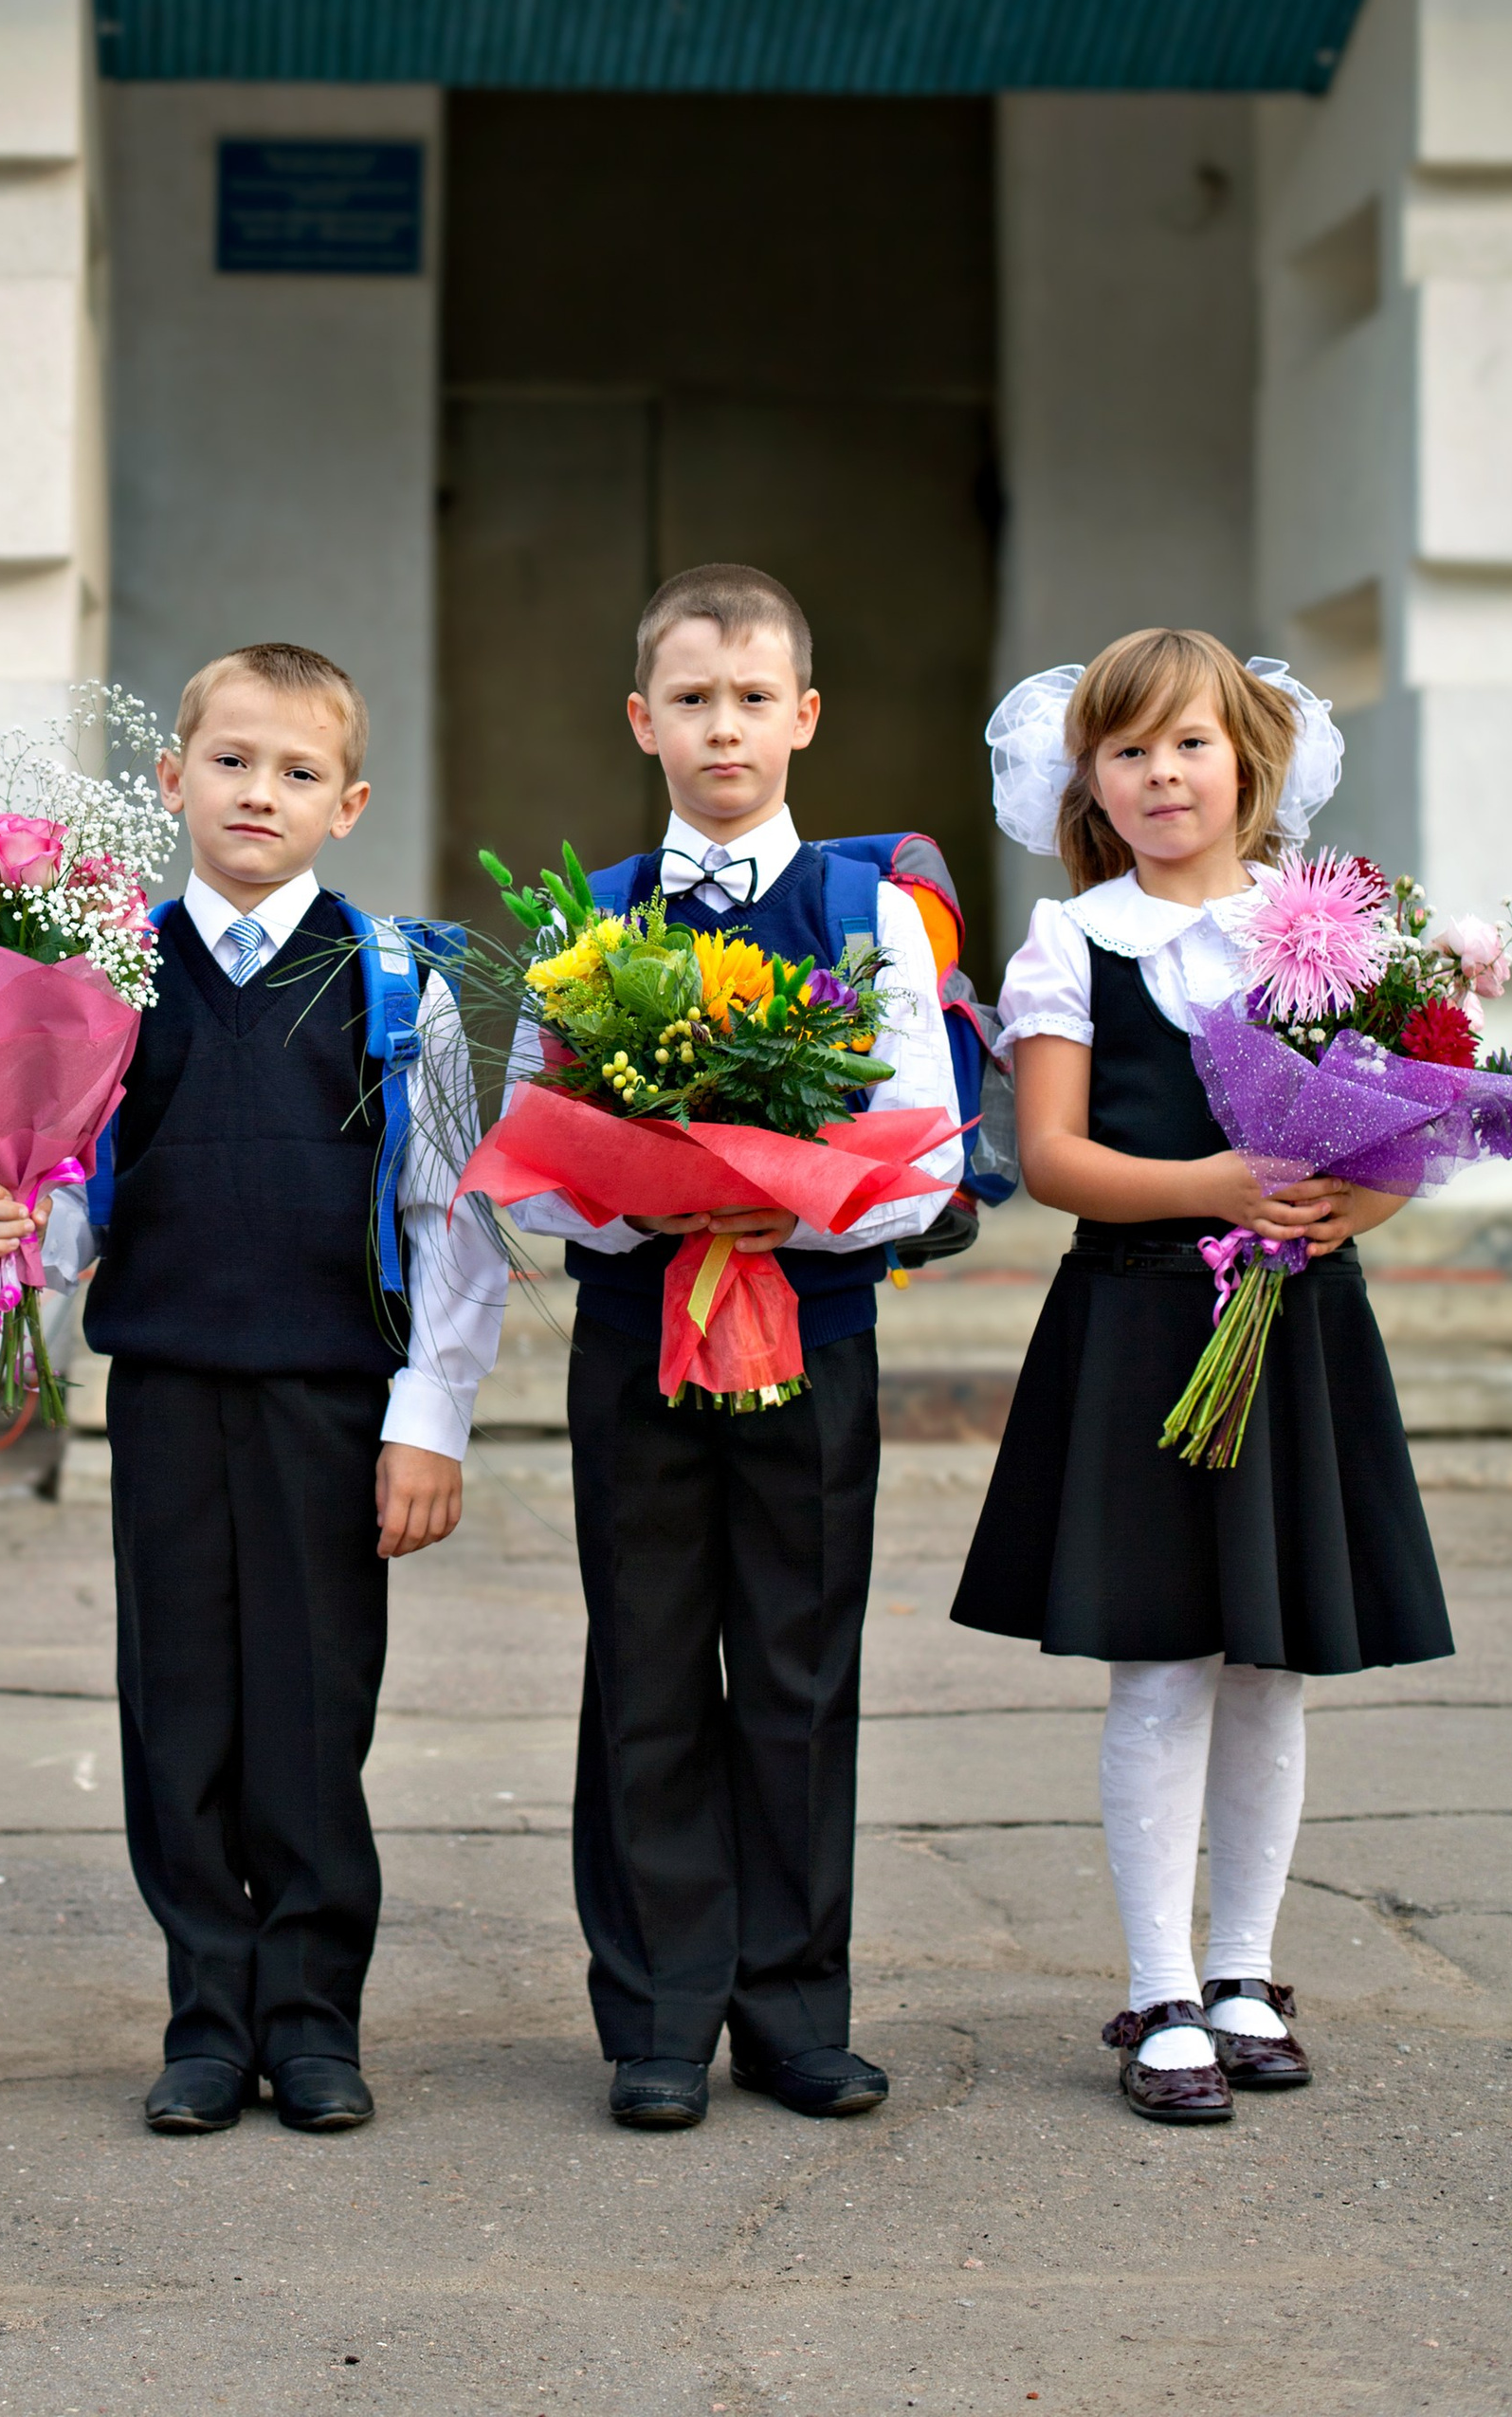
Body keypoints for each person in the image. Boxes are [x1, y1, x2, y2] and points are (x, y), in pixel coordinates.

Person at [0, 641, 504, 2138]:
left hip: (334, 1407)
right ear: (173, 777)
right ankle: (208, 2015)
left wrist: (428, 1421)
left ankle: (314, 2019)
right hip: (169, 1399)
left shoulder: (399, 985)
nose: (259, 791)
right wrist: (19, 1222)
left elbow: (447, 1218)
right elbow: (72, 1209)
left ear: (350, 801)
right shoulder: (107, 979)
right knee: (182, 1708)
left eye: (298, 771)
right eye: (231, 761)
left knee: (315, 1712)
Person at [952, 631, 1449, 2122]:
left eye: (1191, 744)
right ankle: (1159, 1983)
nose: (1163, 775)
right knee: (1162, 1661)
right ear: (1085, 781)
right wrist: (1217, 1182)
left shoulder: (1335, 932)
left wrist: (1332, 1206)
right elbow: (1051, 1160)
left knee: (1268, 1660)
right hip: (1142, 1322)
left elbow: (1397, 1147)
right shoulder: (1074, 939)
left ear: (1253, 760)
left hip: (1293, 1323)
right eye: (1128, 752)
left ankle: (1247, 1968)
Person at [499, 562, 964, 2131]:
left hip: (810, 1340)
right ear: (644, 721)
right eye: (691, 701)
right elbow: (533, 1138)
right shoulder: (590, 920)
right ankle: (654, 2013)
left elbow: (933, 1152)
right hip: (639, 1337)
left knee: (794, 1666)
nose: (724, 728)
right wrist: (650, 1205)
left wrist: (798, 1216)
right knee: (642, 1666)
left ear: (806, 717)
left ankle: (792, 2008)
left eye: (753, 699)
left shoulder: (871, 916)